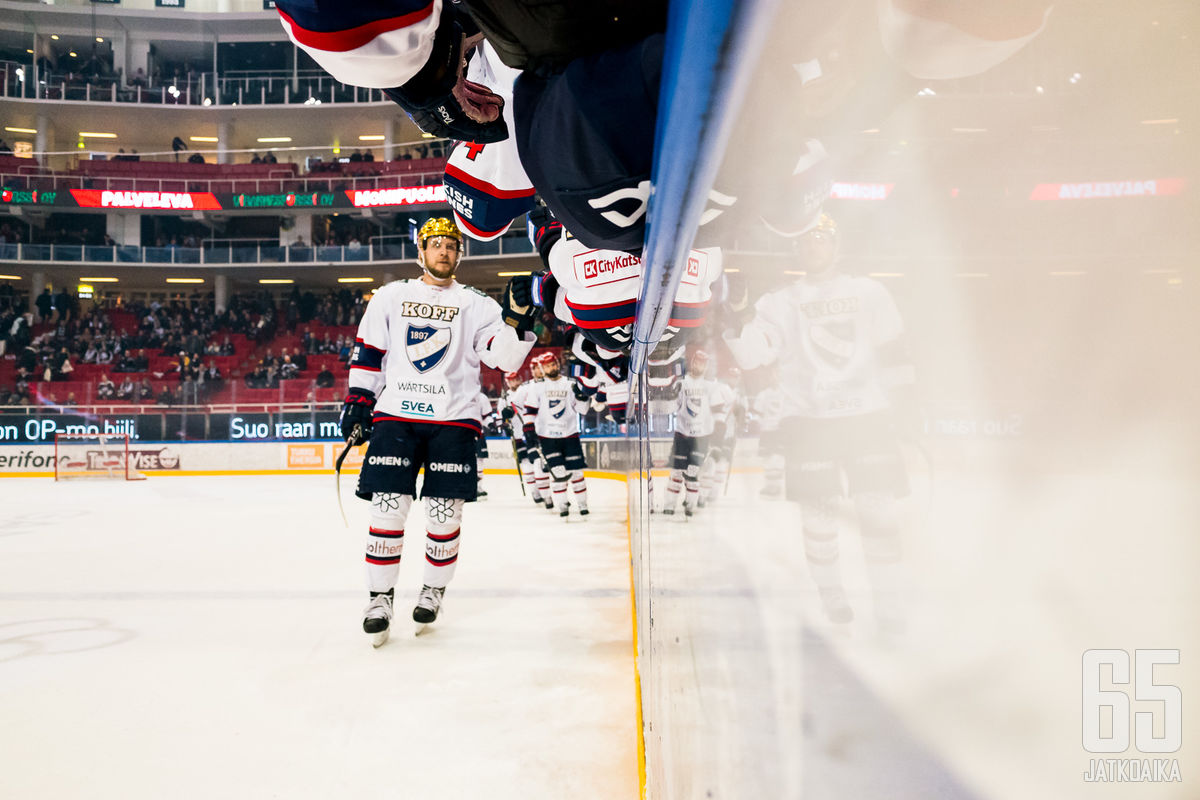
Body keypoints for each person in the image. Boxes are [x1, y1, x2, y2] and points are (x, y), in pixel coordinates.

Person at [339, 217, 536, 646]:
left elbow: (504, 360)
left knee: (445, 514)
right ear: (421, 251)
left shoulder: (478, 304)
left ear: (459, 253)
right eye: (436, 244)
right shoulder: (391, 296)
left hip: (453, 419)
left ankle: (433, 590)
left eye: (451, 244)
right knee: (387, 507)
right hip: (396, 415)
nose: (444, 251)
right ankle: (379, 598)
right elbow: (370, 353)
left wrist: (517, 321)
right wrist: (358, 401)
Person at [721, 213, 917, 627]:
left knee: (877, 511)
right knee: (819, 516)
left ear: (836, 244)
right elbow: (754, 355)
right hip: (809, 423)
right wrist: (735, 319)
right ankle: (832, 596)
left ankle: (890, 604)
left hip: (868, 419)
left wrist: (906, 407)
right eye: (807, 239)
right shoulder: (777, 302)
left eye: (822, 238)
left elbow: (894, 352)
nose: (814, 245)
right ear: (796, 247)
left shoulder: (869, 292)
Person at [655, 348, 728, 517]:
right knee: (677, 472)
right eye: (697, 362)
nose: (699, 365)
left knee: (693, 472)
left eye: (702, 363)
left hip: (702, 437)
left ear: (706, 366)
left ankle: (690, 504)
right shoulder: (681, 382)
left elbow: (719, 414)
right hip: (682, 434)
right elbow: (671, 408)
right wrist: (670, 397)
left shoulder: (711, 386)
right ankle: (670, 505)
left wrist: (717, 440)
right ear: (692, 362)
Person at [521, 351, 591, 518]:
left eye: (553, 364)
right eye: (547, 366)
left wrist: (583, 397)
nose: (551, 368)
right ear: (542, 368)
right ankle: (562, 506)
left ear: (558, 364)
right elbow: (529, 411)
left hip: (570, 435)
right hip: (547, 438)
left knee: (576, 473)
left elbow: (583, 410)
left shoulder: (570, 384)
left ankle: (583, 505)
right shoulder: (537, 387)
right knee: (558, 473)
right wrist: (529, 430)